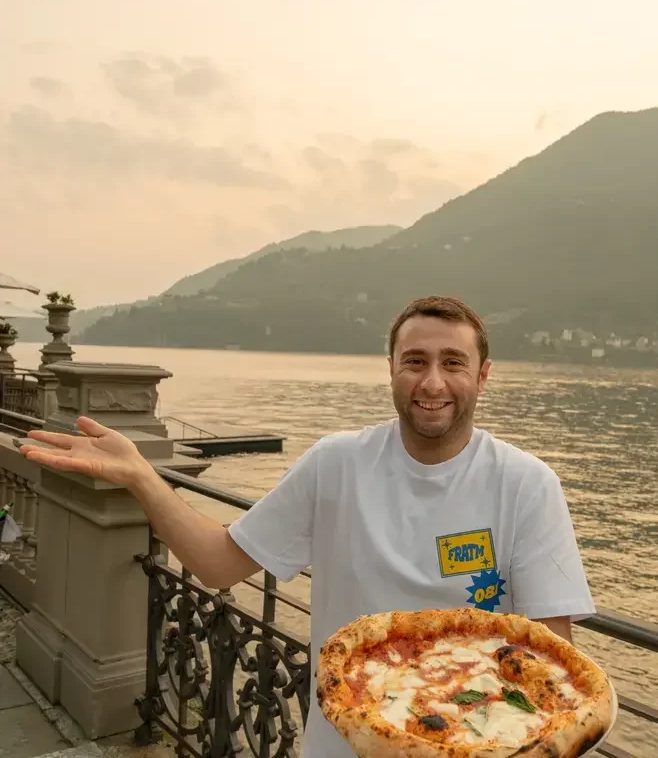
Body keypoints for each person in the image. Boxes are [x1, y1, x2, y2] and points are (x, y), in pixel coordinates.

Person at [21, 295, 595, 758]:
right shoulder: (336, 463)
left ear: (483, 375)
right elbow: (219, 563)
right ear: (391, 369)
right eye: (415, 361)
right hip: (344, 740)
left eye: (453, 363)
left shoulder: (525, 483)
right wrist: (143, 478)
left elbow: (548, 662)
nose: (432, 383)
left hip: (477, 742)